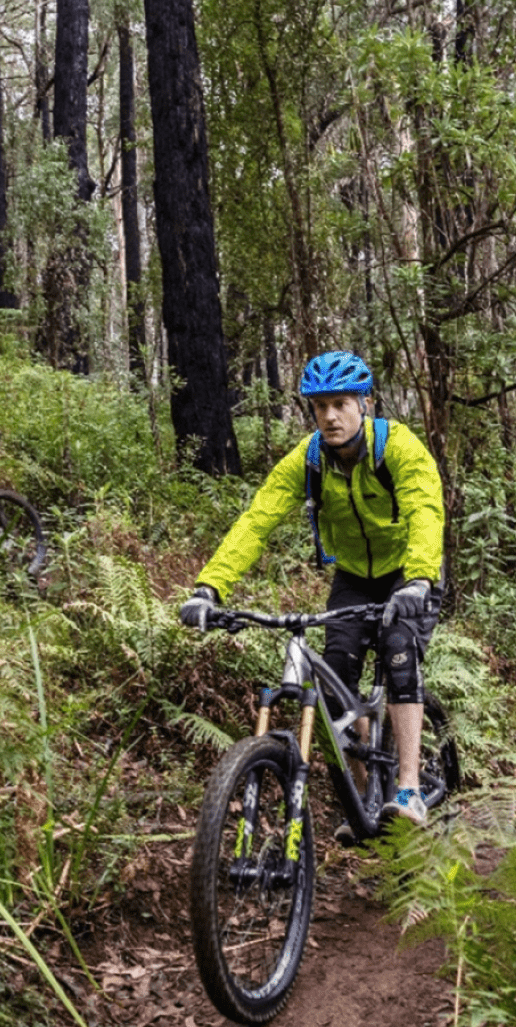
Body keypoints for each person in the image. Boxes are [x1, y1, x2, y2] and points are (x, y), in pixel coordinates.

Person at [179, 351, 445, 829]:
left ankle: (408, 789)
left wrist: (421, 577)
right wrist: (209, 587)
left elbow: (426, 509)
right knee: (336, 678)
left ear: (365, 404)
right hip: (353, 577)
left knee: (399, 652)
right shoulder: (310, 459)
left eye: (340, 403)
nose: (329, 416)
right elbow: (257, 520)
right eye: (319, 406)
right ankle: (366, 796)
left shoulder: (398, 449)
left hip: (408, 573)